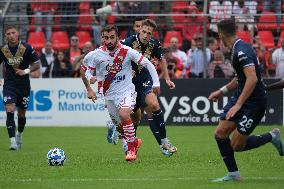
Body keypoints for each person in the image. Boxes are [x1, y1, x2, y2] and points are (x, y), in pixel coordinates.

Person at [208, 19, 284, 182]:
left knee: (237, 145)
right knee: (220, 133)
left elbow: (252, 79)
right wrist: (221, 91)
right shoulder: (237, 48)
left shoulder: (241, 51)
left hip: (254, 103)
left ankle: (272, 136)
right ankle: (234, 175)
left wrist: (239, 104)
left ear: (221, 34)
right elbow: (240, 79)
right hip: (242, 96)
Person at [84, 25, 160, 161]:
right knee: (121, 128)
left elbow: (148, 64)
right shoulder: (95, 55)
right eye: (106, 38)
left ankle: (131, 149)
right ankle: (134, 142)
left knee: (124, 113)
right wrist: (90, 80)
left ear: (117, 37)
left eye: (112, 37)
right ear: (102, 38)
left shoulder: (127, 51)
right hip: (109, 95)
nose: (109, 41)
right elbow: (87, 71)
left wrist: (156, 83)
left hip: (126, 91)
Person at [122, 19, 177, 156]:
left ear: (152, 34)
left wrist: (167, 79)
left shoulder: (154, 44)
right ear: (139, 30)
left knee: (153, 104)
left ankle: (164, 142)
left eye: (149, 33)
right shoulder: (128, 42)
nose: (145, 35)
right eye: (144, 32)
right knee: (135, 118)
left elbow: (162, 59)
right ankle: (131, 146)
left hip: (145, 80)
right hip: (130, 85)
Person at [0, 25, 40, 150]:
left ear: (17, 34)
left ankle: (19, 134)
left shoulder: (27, 48)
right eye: (8, 34)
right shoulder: (3, 50)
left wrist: (26, 71)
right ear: (5, 36)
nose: (11, 35)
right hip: (9, 85)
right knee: (9, 110)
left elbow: (37, 64)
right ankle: (12, 142)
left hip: (24, 86)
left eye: (13, 33)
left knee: (21, 114)